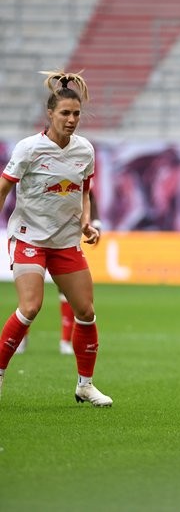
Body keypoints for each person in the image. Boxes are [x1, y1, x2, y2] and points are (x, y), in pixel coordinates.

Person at [0, 70, 112, 406]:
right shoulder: (29, 149)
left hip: (65, 242)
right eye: (65, 113)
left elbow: (84, 192)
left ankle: (85, 385)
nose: (72, 119)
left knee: (86, 311)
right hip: (29, 237)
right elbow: (5, 186)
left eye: (76, 114)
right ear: (50, 114)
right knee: (31, 306)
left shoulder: (84, 150)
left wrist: (86, 222)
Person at [14, 190, 102, 356]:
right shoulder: (35, 168)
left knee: (71, 294)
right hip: (34, 238)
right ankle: (21, 338)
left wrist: (95, 222)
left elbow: (89, 193)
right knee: (29, 296)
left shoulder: (76, 167)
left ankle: (65, 341)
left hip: (65, 238)